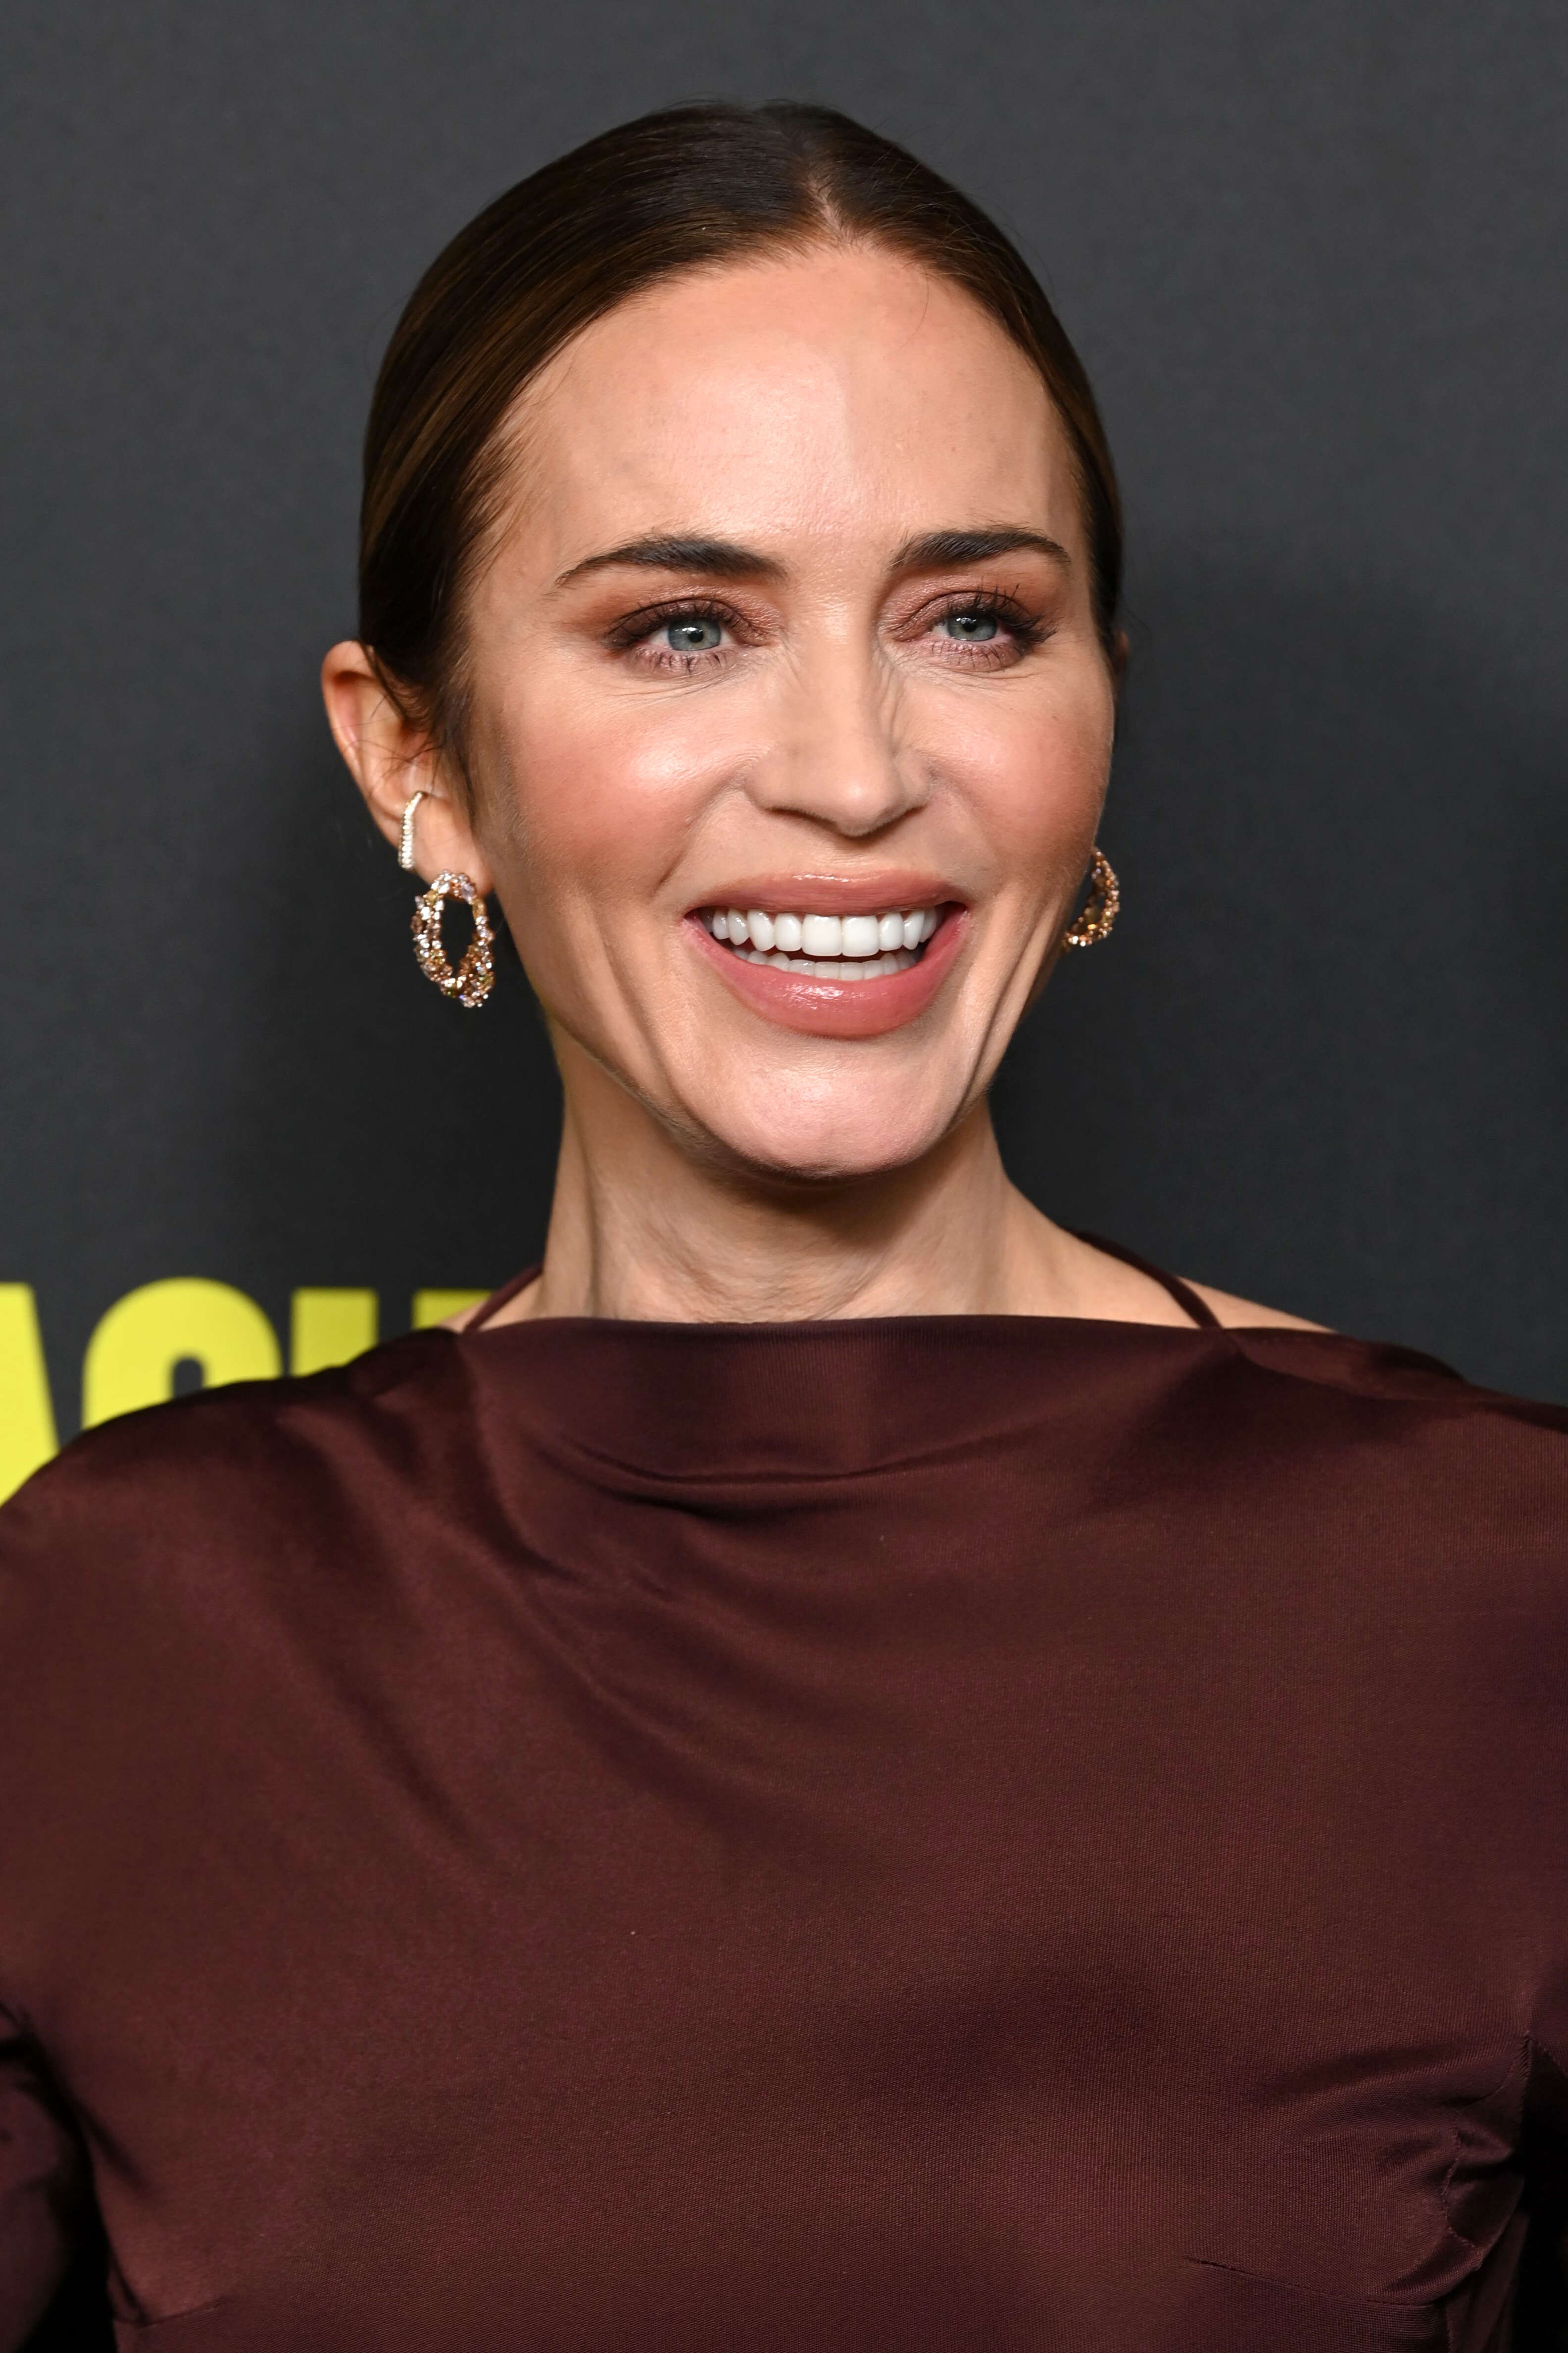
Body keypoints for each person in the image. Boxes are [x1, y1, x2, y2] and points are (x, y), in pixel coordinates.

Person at [2, 100, 1566, 2353]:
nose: (853, 768)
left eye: (974, 619)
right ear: (417, 762)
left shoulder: (1498, 1604)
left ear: (1099, 715)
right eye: (682, 628)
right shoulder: (114, 1630)